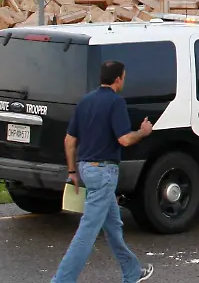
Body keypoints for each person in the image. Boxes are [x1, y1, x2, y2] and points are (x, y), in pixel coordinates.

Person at [52, 60, 155, 283]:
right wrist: (144, 132)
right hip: (104, 172)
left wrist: (72, 170)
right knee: (87, 232)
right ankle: (61, 280)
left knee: (114, 225)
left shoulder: (85, 101)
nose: (124, 81)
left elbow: (70, 139)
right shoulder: (116, 103)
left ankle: (132, 272)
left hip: (86, 168)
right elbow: (125, 140)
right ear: (118, 79)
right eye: (124, 77)